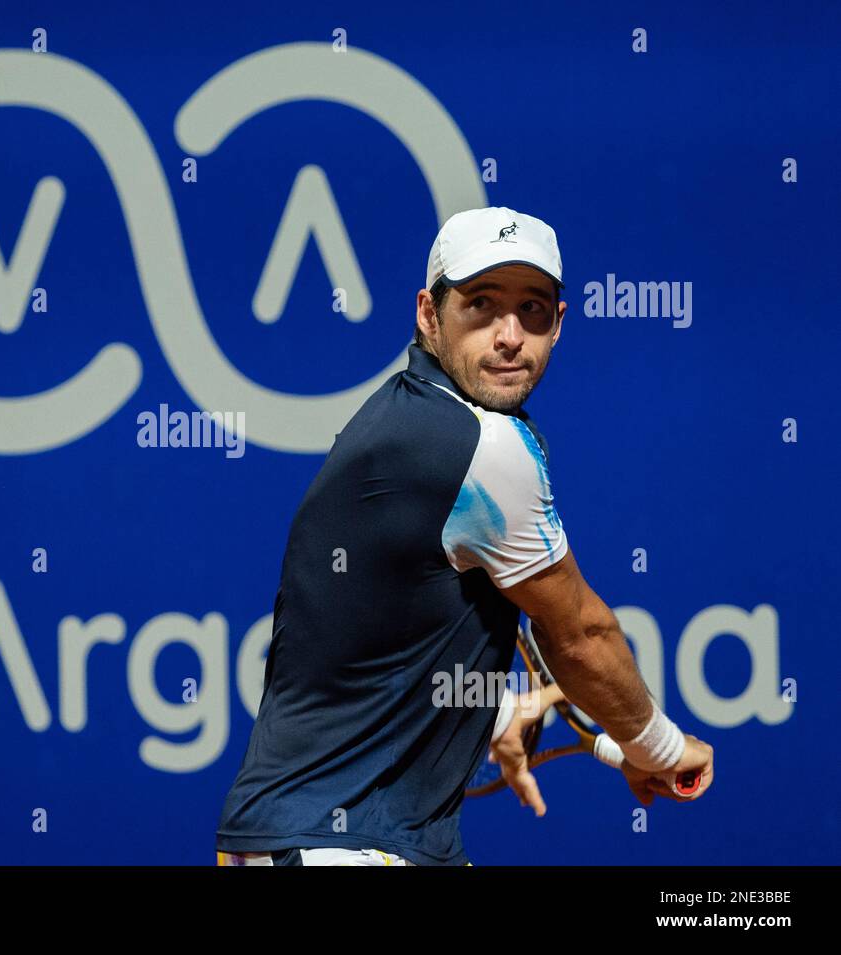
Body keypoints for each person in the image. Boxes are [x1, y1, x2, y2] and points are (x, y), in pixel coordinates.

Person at [215, 206, 714, 867]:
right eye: (481, 305)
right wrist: (660, 747)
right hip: (337, 847)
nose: (510, 335)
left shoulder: (401, 421)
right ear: (429, 314)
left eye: (533, 309)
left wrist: (500, 711)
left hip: (310, 840)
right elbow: (581, 636)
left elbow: (376, 643)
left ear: (559, 325)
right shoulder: (480, 447)